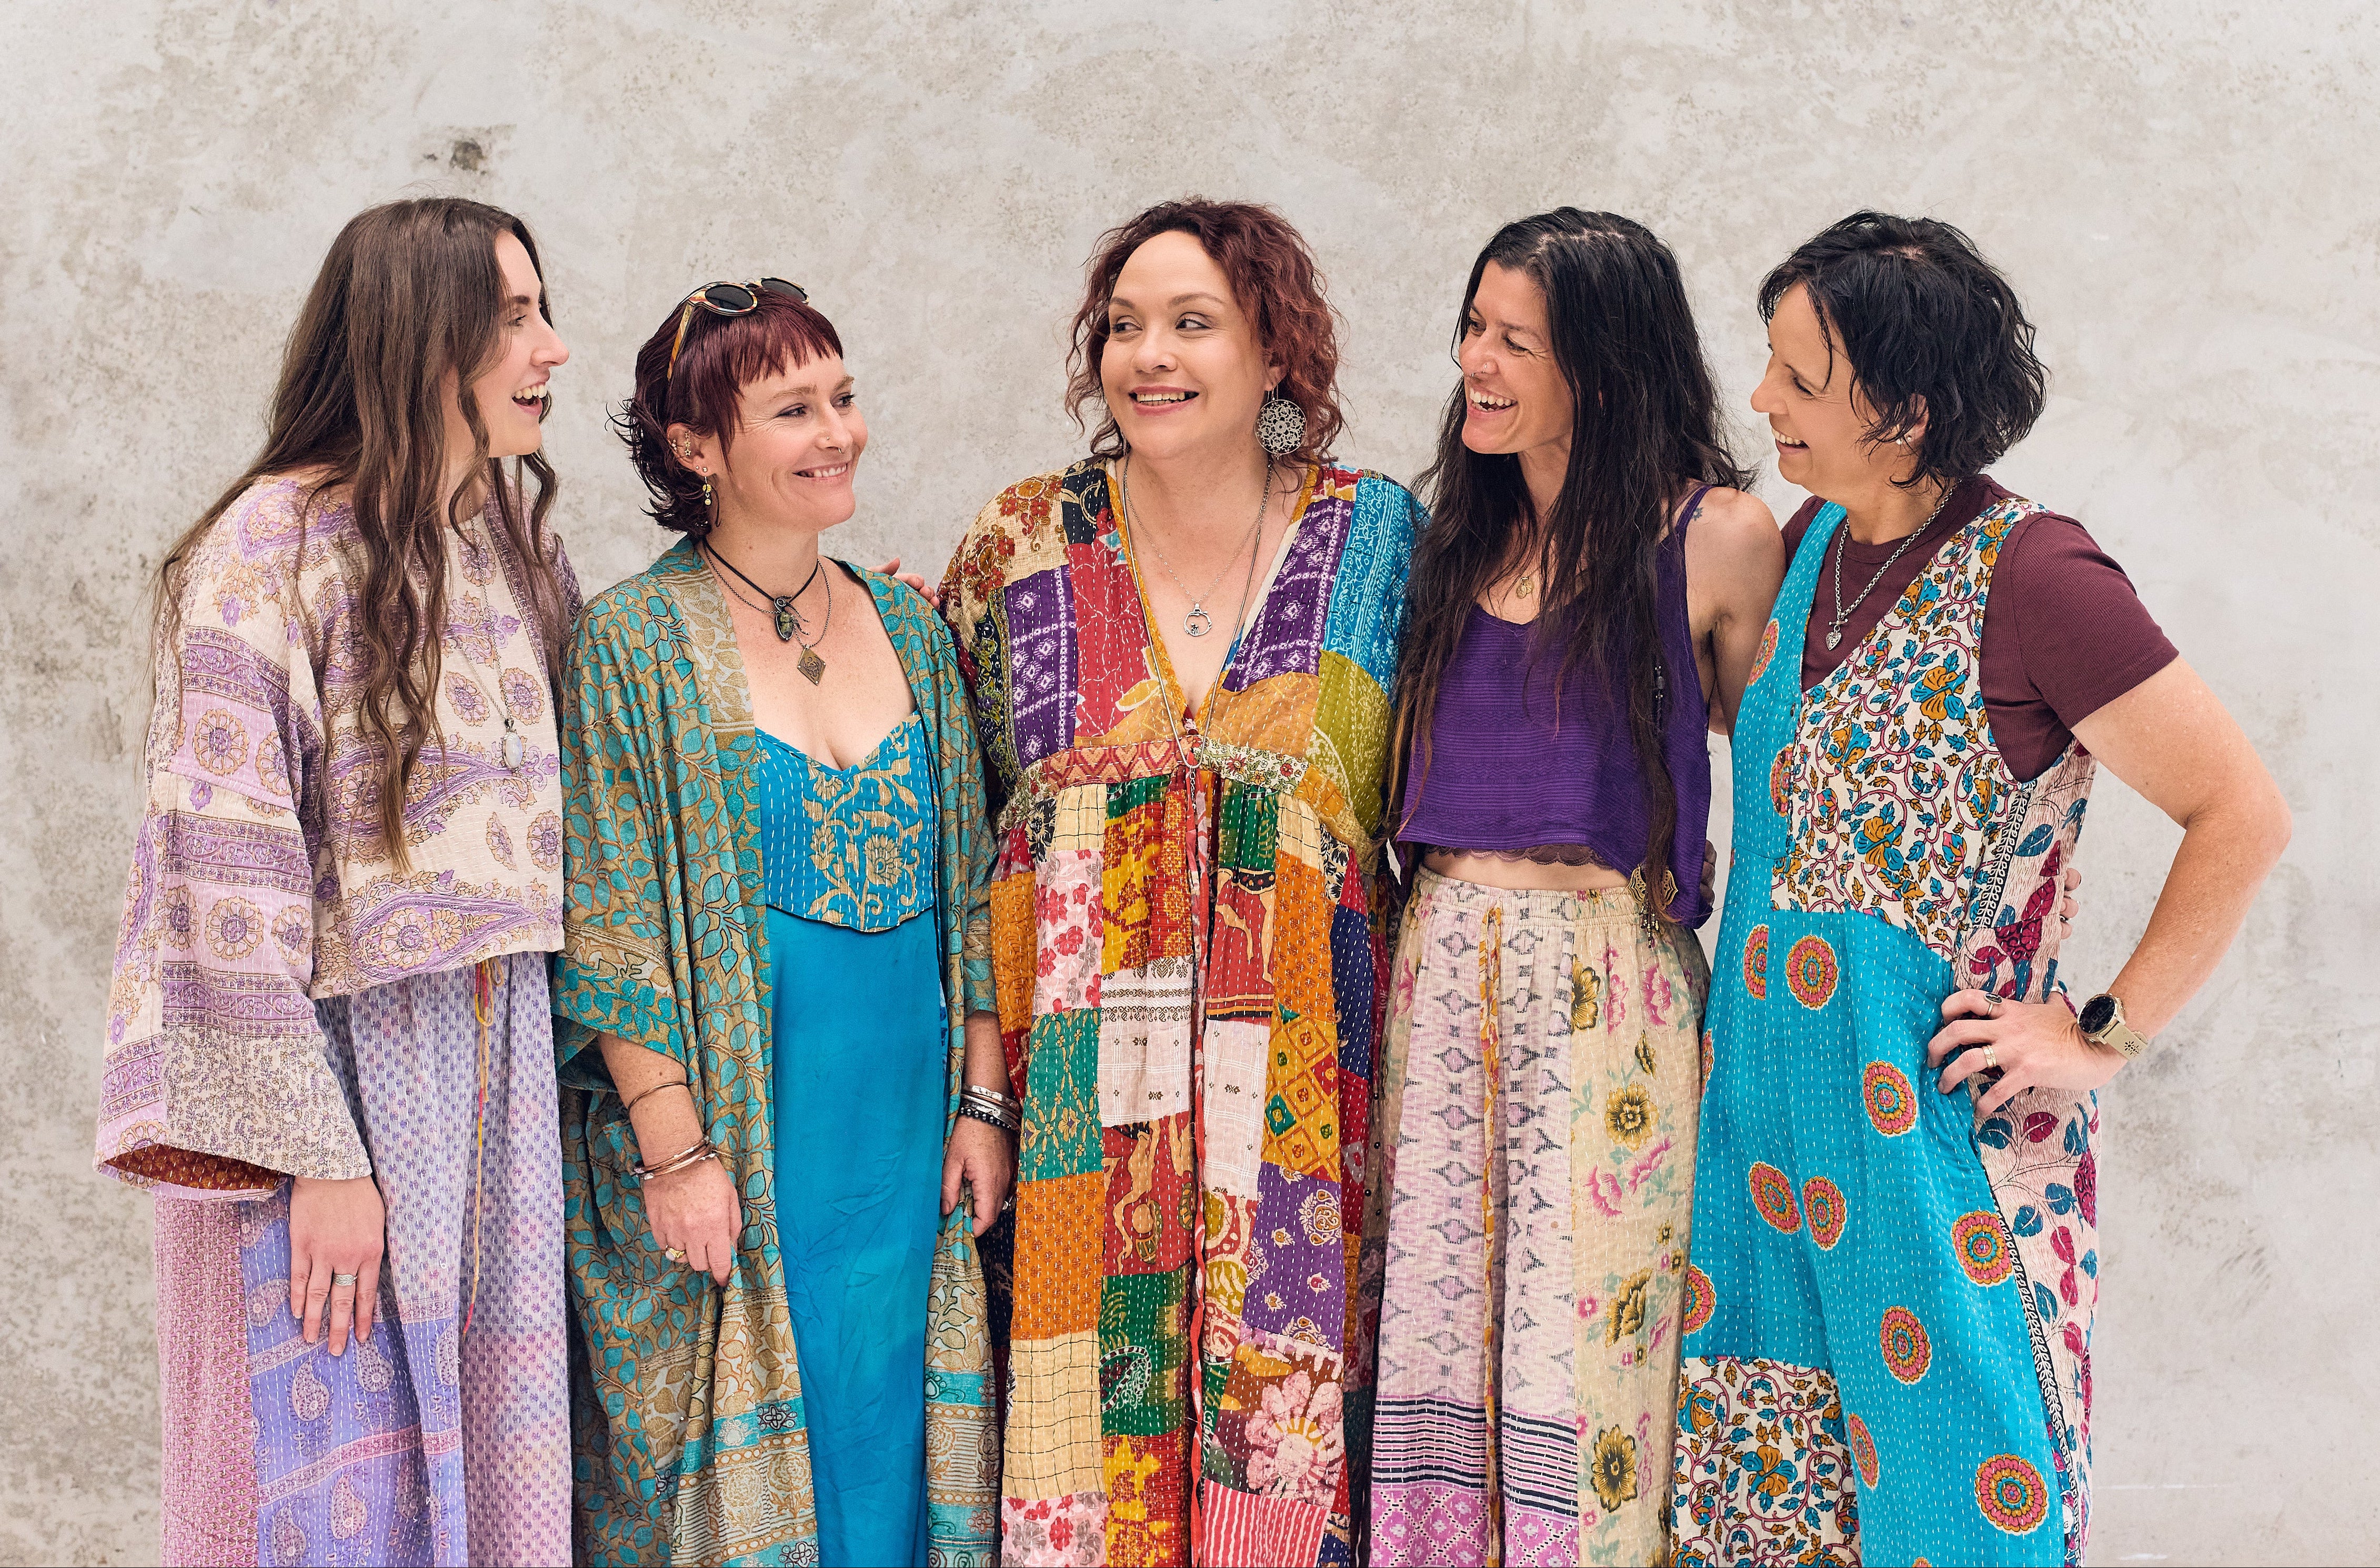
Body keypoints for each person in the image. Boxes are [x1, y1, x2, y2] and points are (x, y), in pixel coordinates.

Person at [1674, 212, 2291, 1568]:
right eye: (1767, 364)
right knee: (1767, 1516)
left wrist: (2097, 1034)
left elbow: (2240, 811)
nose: (1763, 398)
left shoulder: (2041, 575)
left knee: (1963, 1509)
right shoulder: (1810, 535)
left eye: (1797, 376)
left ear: (1906, 405)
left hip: (1935, 1153)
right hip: (1761, 1140)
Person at [93, 197, 579, 1566]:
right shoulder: (263, 552)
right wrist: (318, 1158)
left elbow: (606, 736)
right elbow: (218, 865)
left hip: (495, 1074)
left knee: (488, 1476)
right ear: (420, 340)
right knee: (319, 1486)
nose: (552, 346)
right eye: (516, 317)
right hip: (322, 1090)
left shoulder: (508, 549)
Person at [938, 198, 1423, 1567]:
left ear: (1276, 349)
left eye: (1191, 322)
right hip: (1075, 1126)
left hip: (1309, 1126)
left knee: (1292, 1478)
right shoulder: (1020, 545)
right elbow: (959, 848)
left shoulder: (1378, 541)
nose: (1147, 354)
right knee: (1079, 1483)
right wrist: (979, 1090)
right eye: (1123, 325)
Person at [555, 278, 1005, 1566]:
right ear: (698, 447)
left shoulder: (913, 628)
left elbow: (970, 888)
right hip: (749, 1139)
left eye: (845, 398)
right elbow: (612, 915)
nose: (839, 433)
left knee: (893, 1448)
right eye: (793, 408)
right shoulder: (632, 642)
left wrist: (984, 1105)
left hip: (905, 1138)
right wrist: (675, 1152)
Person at [1365, 209, 1784, 1566]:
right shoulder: (1446, 536)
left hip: (1606, 982)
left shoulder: (1714, 534)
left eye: (1516, 340)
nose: (1476, 363)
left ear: (1601, 364)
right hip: (1438, 978)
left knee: (1589, 1346)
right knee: (1434, 1337)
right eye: (1473, 329)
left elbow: (1780, 775)